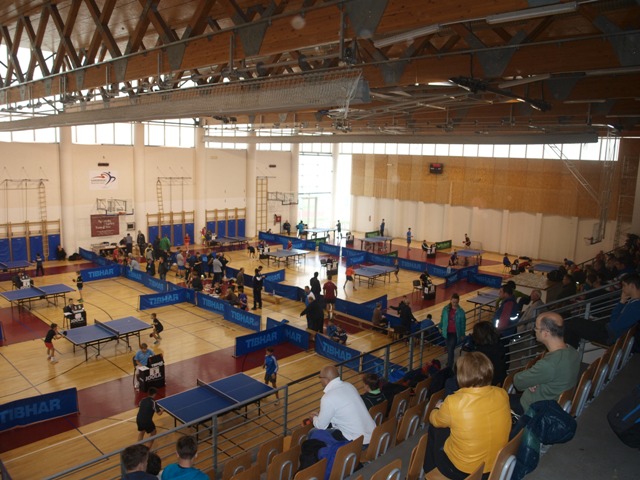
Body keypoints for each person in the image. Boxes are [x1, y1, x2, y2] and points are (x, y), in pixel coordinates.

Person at [424, 352, 511, 479]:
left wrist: (436, 409)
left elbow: (436, 420)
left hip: (462, 470)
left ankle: (429, 471)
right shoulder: (502, 393)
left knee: (435, 428)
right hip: (495, 465)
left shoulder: (453, 402)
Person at [511, 312, 580, 414]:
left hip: (532, 409)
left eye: (536, 327)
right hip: (552, 403)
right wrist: (536, 380)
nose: (534, 330)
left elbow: (518, 382)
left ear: (546, 333)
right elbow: (552, 376)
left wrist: (532, 380)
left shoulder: (549, 364)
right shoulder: (573, 352)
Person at [565, 272, 640, 348]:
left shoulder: (636, 306)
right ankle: (571, 350)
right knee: (575, 321)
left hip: (609, 335)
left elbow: (615, 326)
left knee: (570, 325)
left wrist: (621, 302)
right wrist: (622, 301)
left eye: (624, 285)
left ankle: (570, 352)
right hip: (608, 330)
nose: (622, 289)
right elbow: (615, 320)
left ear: (632, 286)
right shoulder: (634, 302)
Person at [310, 365, 376, 444]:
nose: (320, 380)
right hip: (373, 435)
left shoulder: (327, 397)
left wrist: (314, 418)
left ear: (326, 380)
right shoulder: (349, 385)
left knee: (313, 432)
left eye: (320, 377)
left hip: (358, 442)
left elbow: (321, 426)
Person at [440, 293, 467, 368]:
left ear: (458, 301)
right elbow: (442, 318)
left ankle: (449, 365)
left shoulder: (461, 312)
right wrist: (440, 326)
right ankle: (450, 361)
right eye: (453, 302)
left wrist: (462, 334)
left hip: (455, 333)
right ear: (450, 300)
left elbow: (463, 324)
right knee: (449, 348)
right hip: (446, 332)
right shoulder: (445, 309)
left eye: (456, 302)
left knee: (451, 348)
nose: (454, 304)